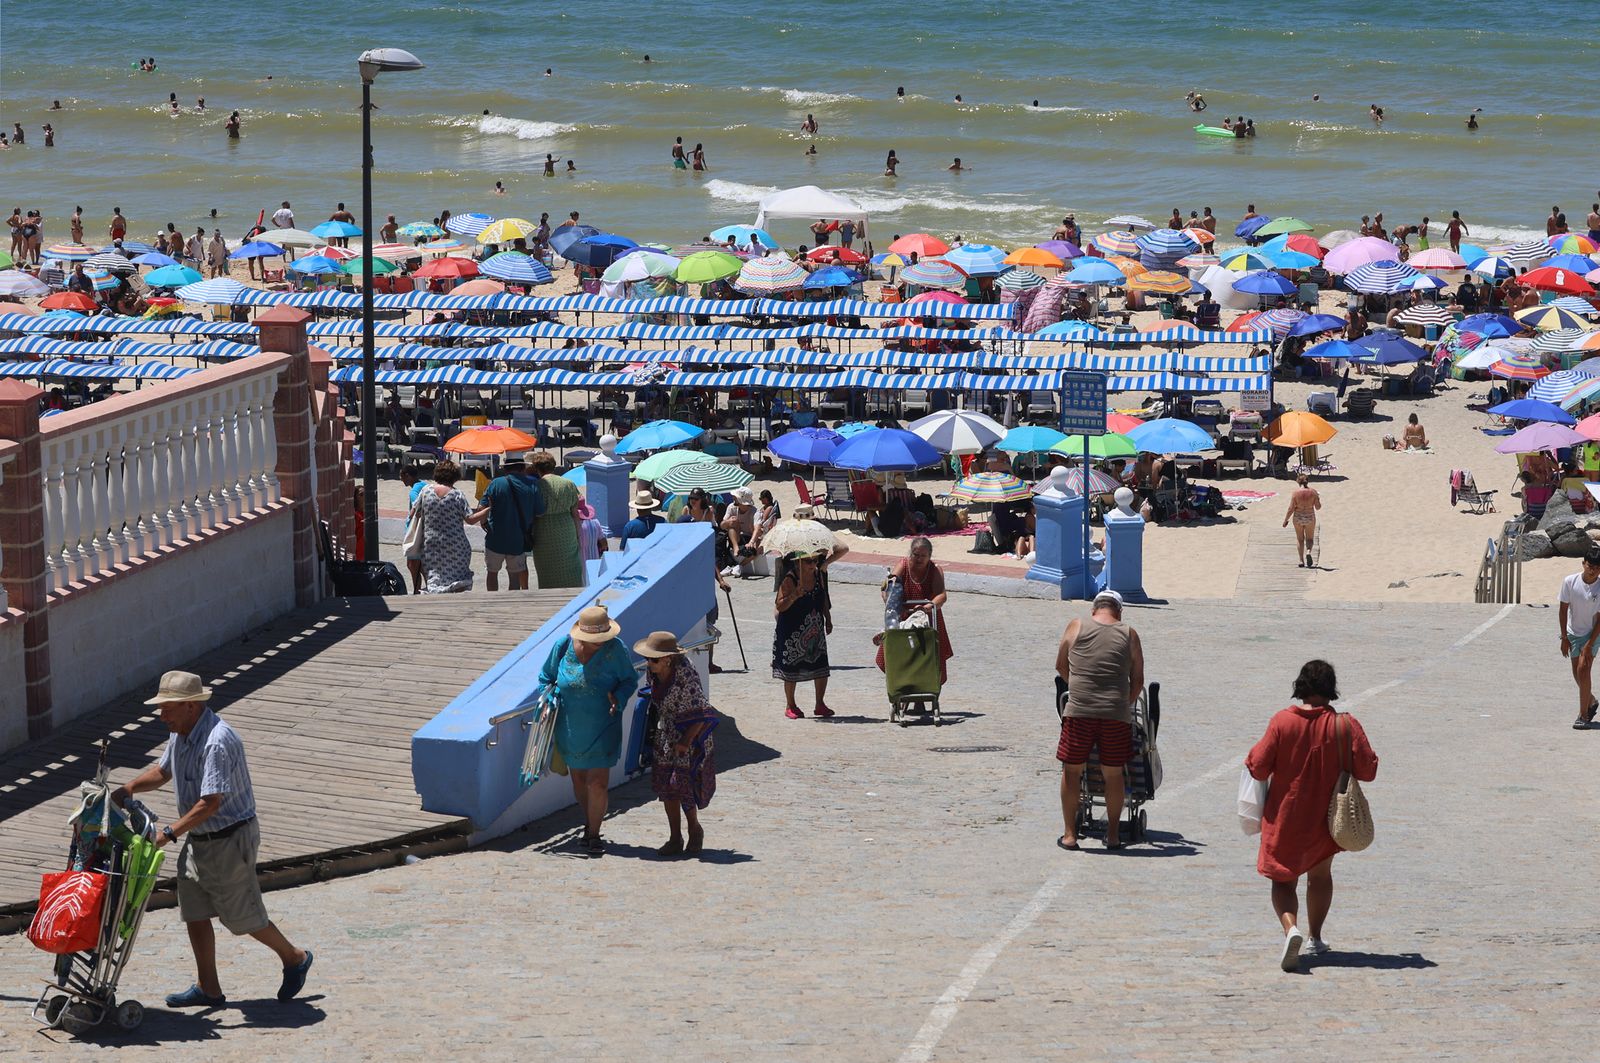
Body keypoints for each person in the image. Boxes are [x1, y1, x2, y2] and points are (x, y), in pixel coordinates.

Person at [111, 670, 313, 1007]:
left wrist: (169, 833)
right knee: (194, 910)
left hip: (229, 839)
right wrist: (129, 788)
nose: (161, 716)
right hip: (200, 839)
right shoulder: (181, 731)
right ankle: (209, 989)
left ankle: (294, 957)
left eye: (167, 708)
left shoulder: (218, 740)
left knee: (242, 916)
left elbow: (211, 802)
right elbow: (163, 772)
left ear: (190, 706)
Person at [1245, 660, 1378, 970]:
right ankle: (1315, 937)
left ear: (1300, 687)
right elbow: (1368, 770)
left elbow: (1259, 766)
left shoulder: (1282, 722)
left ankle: (1291, 928)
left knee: (1283, 880)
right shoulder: (1345, 725)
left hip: (1286, 816)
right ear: (1331, 690)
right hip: (1327, 819)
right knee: (1320, 877)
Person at [536, 606, 638, 855]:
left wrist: (620, 698)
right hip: (570, 727)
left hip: (604, 725)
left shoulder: (616, 650)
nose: (599, 643)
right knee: (580, 781)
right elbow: (545, 678)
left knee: (597, 784)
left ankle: (593, 834)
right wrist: (550, 698)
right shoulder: (562, 647)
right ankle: (589, 820)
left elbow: (629, 680)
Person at [1054, 589, 1144, 852]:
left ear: (1094, 610)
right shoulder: (1130, 633)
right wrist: (1120, 704)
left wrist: (1081, 688)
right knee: (1114, 773)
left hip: (1079, 710)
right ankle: (1113, 835)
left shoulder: (1077, 625)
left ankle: (1070, 836)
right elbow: (1137, 681)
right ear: (1119, 611)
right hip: (1115, 713)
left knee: (1072, 770)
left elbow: (1061, 666)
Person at [636, 631, 719, 856]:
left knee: (684, 784)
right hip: (667, 733)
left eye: (653, 659)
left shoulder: (685, 674)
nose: (648, 663)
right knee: (666, 786)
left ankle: (694, 829)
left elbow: (701, 712)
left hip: (690, 734)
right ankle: (675, 837)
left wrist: (684, 742)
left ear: (668, 659)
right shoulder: (653, 673)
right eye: (648, 658)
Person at [772, 545, 847, 719]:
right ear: (798, 561)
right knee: (791, 667)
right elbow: (779, 605)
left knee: (820, 664)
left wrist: (828, 619)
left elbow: (823, 598)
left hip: (813, 626)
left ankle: (819, 704)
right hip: (792, 629)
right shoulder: (790, 579)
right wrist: (794, 596)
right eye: (808, 561)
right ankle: (791, 705)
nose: (813, 564)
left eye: (815, 560)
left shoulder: (819, 575)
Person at [875, 536, 953, 681]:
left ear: (929, 556)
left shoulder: (935, 570)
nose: (919, 559)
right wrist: (889, 596)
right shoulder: (903, 565)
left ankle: (925, 691)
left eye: (923, 556)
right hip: (904, 614)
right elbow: (891, 585)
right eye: (916, 555)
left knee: (928, 657)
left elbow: (941, 596)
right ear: (910, 553)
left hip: (927, 618)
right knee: (902, 654)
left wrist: (926, 607)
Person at [468, 459, 543, 591]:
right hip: (518, 539)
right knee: (514, 577)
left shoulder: (496, 483)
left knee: (492, 573)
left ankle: (493, 602)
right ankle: (512, 604)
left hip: (495, 538)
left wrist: (484, 522)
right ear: (522, 467)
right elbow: (539, 513)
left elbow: (481, 508)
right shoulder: (532, 484)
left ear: (506, 468)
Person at [412, 460, 474, 593]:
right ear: (455, 476)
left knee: (435, 577)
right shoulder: (457, 494)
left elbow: (414, 513)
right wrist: (487, 510)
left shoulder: (426, 490)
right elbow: (470, 519)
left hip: (431, 543)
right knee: (457, 577)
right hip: (455, 545)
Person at [529, 450, 584, 588]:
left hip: (543, 530)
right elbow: (575, 513)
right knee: (570, 566)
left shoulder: (535, 486)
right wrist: (578, 534)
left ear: (536, 468)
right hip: (566, 527)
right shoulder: (568, 483)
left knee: (546, 569)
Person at [1559, 546, 1600, 729]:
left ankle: (1583, 716)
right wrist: (1564, 638)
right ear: (1583, 564)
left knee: (1584, 669)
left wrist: (1590, 644)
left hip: (1592, 633)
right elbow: (1563, 609)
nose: (1593, 571)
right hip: (1572, 632)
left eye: (1598, 568)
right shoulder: (1570, 581)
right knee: (1577, 674)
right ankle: (1591, 701)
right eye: (1590, 566)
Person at [1283, 472, 1321, 568]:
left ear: (1298, 482)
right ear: (1307, 481)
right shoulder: (1313, 492)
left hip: (1298, 517)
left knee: (1300, 539)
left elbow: (1291, 509)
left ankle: (1301, 560)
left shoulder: (1295, 493)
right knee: (1309, 538)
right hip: (1309, 517)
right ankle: (1308, 551)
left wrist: (1286, 520)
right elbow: (1318, 507)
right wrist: (1317, 499)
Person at [720, 486, 758, 566]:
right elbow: (722, 525)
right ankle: (735, 547)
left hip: (748, 537)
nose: (733, 498)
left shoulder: (754, 511)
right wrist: (728, 522)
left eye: (735, 497)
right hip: (735, 537)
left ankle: (740, 566)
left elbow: (757, 529)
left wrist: (752, 541)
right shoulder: (731, 507)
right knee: (732, 523)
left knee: (755, 549)